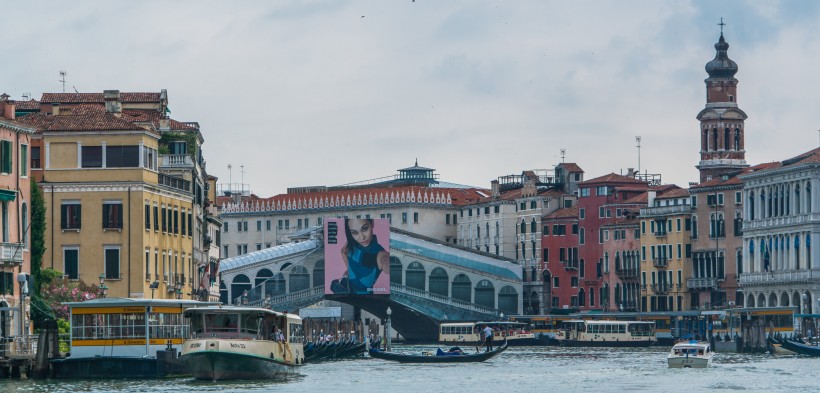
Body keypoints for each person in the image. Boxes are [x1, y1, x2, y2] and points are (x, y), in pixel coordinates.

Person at [330, 219, 389, 295]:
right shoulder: (352, 242)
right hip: (345, 289)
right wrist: (344, 255)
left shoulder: (379, 254)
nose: (362, 237)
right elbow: (346, 253)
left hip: (363, 298)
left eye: (365, 228)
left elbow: (385, 262)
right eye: (354, 232)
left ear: (372, 224)